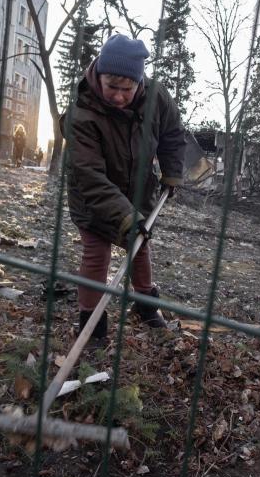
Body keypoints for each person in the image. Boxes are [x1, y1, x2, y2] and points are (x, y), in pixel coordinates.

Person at [64, 34, 185, 344]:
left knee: (140, 247)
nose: (118, 96)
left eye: (126, 89)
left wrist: (172, 172)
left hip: (136, 190)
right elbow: (89, 174)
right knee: (97, 253)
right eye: (111, 87)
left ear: (139, 82)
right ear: (99, 76)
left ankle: (146, 305)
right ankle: (92, 325)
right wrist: (125, 217)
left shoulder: (157, 97)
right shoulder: (82, 113)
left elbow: (172, 134)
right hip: (92, 196)